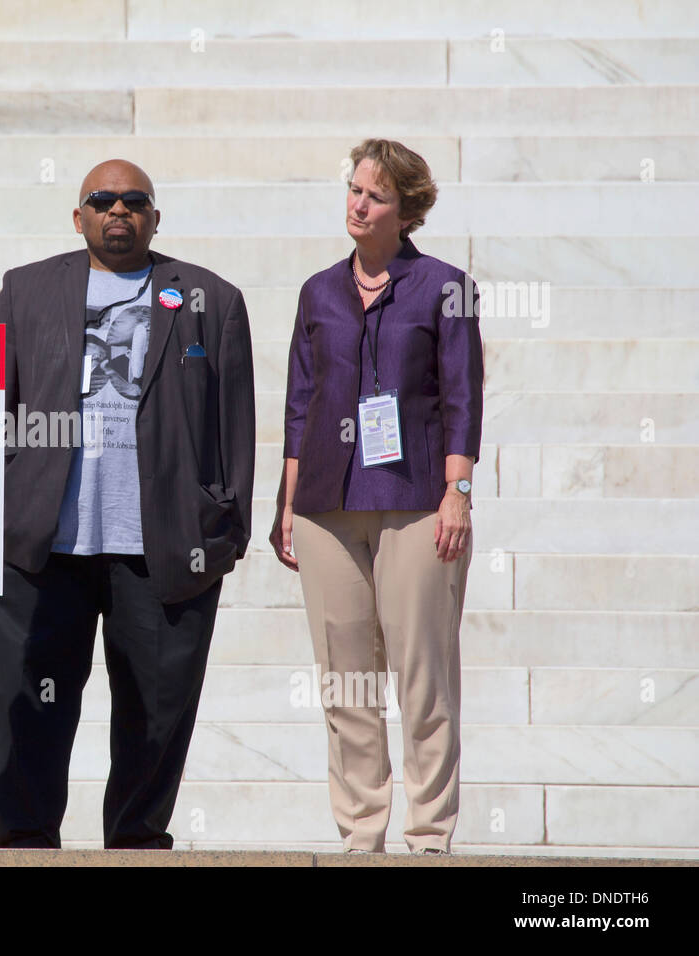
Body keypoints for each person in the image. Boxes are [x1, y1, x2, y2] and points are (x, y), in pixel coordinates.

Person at [0, 159, 256, 849]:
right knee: (31, 707)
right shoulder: (26, 291)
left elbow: (234, 424)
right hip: (45, 543)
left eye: (134, 201)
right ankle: (23, 850)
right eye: (101, 200)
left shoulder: (209, 300)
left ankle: (136, 849)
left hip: (163, 543)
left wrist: (223, 524)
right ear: (77, 217)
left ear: (155, 218)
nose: (118, 210)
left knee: (155, 712)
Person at [270, 139, 484, 855]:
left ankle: (429, 837)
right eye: (355, 190)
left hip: (419, 498)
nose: (358, 205)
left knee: (424, 675)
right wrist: (286, 506)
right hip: (327, 504)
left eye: (376, 196)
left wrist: (458, 493)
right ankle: (362, 835)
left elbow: (462, 396)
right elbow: (301, 403)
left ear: (407, 211)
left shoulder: (444, 286)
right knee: (345, 682)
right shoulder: (318, 291)